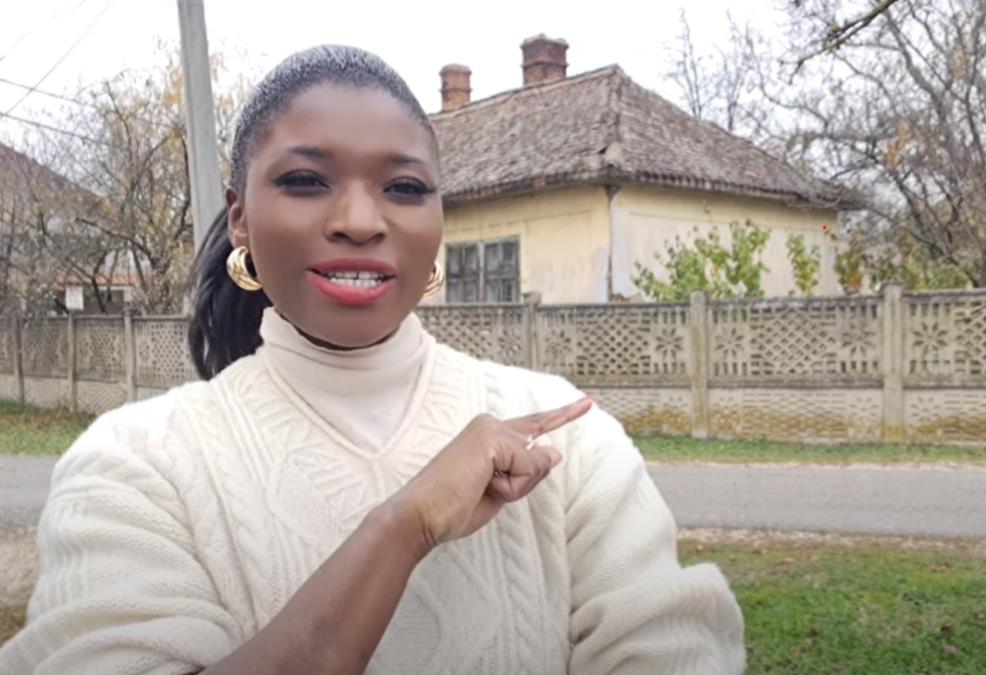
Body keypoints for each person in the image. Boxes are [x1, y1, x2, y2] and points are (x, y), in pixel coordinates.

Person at [0, 45, 745, 675]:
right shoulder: (135, 465)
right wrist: (404, 526)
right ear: (240, 218)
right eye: (305, 180)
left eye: (405, 188)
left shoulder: (566, 441)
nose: (360, 220)